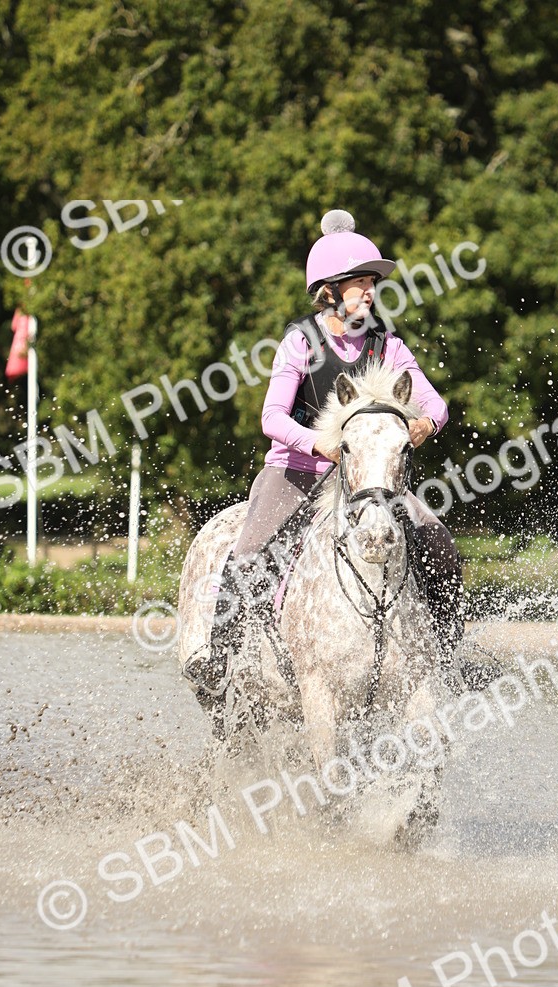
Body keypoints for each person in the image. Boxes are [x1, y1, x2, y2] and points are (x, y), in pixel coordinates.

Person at [183, 209, 464, 700]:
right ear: (331, 290)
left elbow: (437, 404)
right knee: (248, 553)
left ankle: (448, 655)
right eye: (361, 283)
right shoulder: (299, 342)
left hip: (365, 478)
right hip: (295, 473)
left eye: (373, 283)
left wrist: (424, 423)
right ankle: (218, 656)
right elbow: (271, 418)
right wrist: (320, 443)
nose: (371, 292)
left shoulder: (387, 343)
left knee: (438, 543)